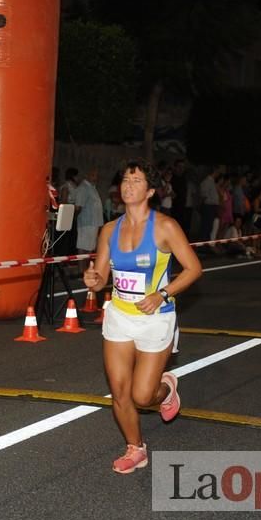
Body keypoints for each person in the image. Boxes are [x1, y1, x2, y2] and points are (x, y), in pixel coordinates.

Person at [83, 160, 202, 474]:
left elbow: (194, 269)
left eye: (135, 181)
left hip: (156, 318)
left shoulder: (165, 227)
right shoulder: (109, 229)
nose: (127, 185)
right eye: (124, 179)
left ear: (150, 191)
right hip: (119, 316)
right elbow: (102, 275)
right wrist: (93, 280)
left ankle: (166, 389)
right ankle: (136, 448)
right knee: (120, 391)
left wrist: (162, 294)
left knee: (142, 395)